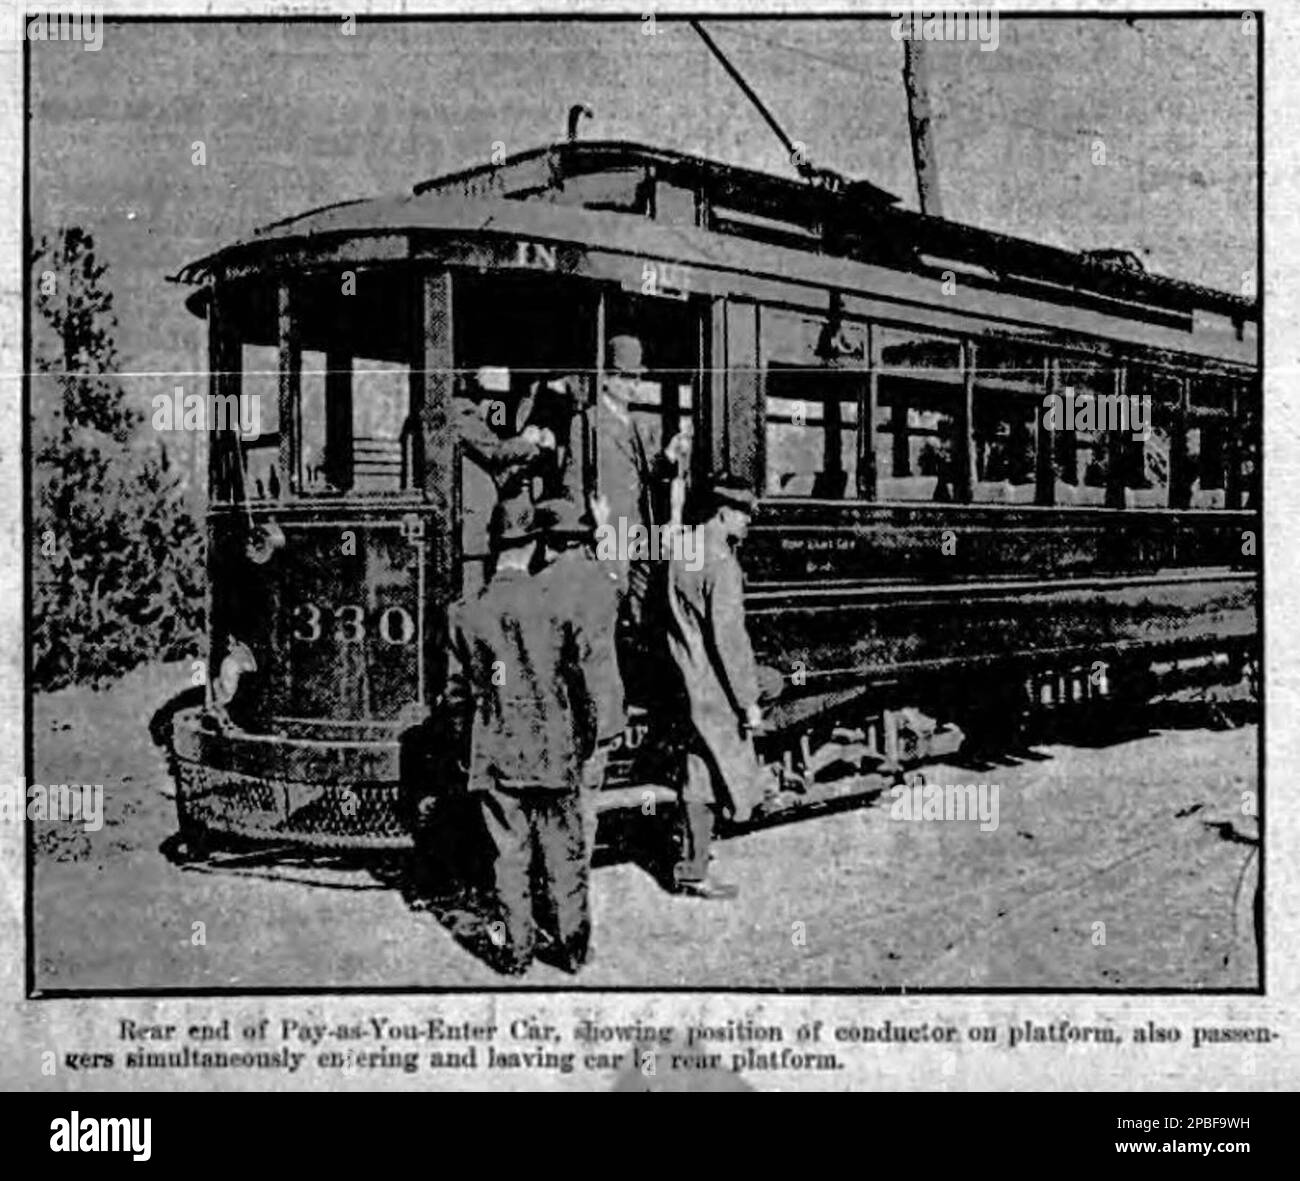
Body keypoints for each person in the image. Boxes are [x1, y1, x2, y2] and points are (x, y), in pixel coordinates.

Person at [439, 499, 602, 974]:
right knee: (564, 855)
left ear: (494, 548)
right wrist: (582, 741)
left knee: (509, 857)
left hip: (498, 752)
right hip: (554, 749)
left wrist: (466, 754)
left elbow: (457, 698)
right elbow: (580, 685)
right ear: (533, 545)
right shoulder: (556, 604)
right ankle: (573, 950)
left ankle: (516, 953)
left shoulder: (466, 614)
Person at [663, 478, 772, 900]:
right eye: (743, 514)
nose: (747, 523)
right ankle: (695, 867)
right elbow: (731, 640)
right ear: (723, 513)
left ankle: (693, 865)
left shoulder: (680, 550)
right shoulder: (722, 562)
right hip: (712, 687)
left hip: (682, 676)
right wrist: (748, 703)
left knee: (695, 771)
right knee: (710, 773)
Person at [533, 495, 624, 860]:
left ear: (547, 541)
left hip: (556, 717)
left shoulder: (538, 586)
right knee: (585, 803)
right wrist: (605, 530)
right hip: (601, 713)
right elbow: (620, 577)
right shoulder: (604, 579)